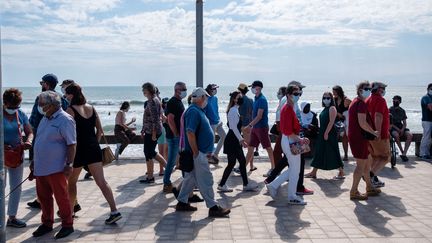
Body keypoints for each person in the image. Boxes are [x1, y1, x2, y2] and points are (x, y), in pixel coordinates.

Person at [64, 83, 122, 224]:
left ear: (71, 95)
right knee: (101, 182)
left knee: (71, 182)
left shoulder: (70, 110)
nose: (65, 96)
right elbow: (100, 131)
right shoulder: (92, 108)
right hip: (93, 148)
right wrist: (94, 143)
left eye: (66, 94)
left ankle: (70, 214)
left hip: (78, 150)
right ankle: (114, 211)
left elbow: (68, 134)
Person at [175, 87, 230, 217]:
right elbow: (190, 132)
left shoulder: (197, 110)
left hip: (201, 153)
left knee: (190, 179)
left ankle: (182, 202)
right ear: (201, 98)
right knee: (206, 179)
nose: (207, 100)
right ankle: (213, 207)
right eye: (205, 98)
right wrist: (196, 153)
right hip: (198, 154)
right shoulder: (194, 111)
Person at [31, 91, 75, 239]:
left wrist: (69, 164)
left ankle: (67, 224)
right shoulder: (45, 118)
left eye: (42, 104)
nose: (39, 107)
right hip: (41, 166)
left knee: (61, 197)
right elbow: (39, 140)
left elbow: (71, 144)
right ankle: (47, 223)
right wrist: (33, 161)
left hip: (56, 167)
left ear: (52, 105)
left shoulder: (65, 120)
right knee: (43, 198)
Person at [264, 81, 314, 196]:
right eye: (296, 93)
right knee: (294, 169)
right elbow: (286, 130)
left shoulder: (290, 106)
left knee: (294, 169)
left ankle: (275, 185)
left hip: (292, 140)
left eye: (299, 93)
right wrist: (300, 139)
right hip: (290, 140)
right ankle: (290, 194)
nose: (298, 95)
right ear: (288, 94)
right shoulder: (287, 107)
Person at [27, 74, 69, 209]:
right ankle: (68, 203)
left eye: (42, 83)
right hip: (59, 141)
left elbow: (33, 120)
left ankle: (42, 200)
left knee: (40, 172)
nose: (41, 85)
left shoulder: (41, 98)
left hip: (42, 137)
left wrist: (29, 134)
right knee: (59, 175)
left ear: (46, 84)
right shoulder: (61, 99)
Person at [3, 89, 33, 228]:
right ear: (5, 103)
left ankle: (12, 217)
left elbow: (29, 132)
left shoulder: (20, 114)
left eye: (16, 106)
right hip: (1, 156)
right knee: (1, 187)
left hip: (16, 155)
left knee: (16, 187)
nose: (14, 109)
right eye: (11, 107)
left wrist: (29, 141)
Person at [218, 91, 258, 192]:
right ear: (234, 99)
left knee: (236, 162)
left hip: (234, 140)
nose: (241, 98)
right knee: (235, 162)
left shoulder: (235, 110)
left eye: (241, 97)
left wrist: (240, 139)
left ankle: (228, 185)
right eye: (239, 97)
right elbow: (233, 128)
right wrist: (241, 140)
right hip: (232, 140)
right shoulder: (232, 111)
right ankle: (243, 184)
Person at [348, 81, 381, 200]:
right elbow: (362, 123)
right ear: (360, 90)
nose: (368, 90)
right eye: (366, 88)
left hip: (358, 137)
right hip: (359, 138)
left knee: (368, 161)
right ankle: (354, 191)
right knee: (360, 166)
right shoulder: (360, 104)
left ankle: (369, 186)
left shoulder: (355, 101)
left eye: (369, 88)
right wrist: (374, 132)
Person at [304, 92, 344, 179]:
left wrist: (326, 133)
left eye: (328, 98)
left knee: (332, 151)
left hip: (329, 133)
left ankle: (341, 171)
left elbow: (331, 122)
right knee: (319, 151)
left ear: (331, 99)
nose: (326, 99)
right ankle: (313, 172)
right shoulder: (325, 108)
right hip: (323, 133)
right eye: (324, 98)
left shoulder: (332, 108)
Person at [244, 80, 275, 176]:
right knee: (250, 147)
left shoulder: (262, 99)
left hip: (261, 128)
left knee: (268, 148)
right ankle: (242, 168)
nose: (252, 89)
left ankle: (273, 168)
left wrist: (249, 125)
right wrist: (251, 125)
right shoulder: (256, 98)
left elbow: (259, 116)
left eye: (253, 87)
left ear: (259, 88)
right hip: (255, 128)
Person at [140, 82, 167, 183]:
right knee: (149, 152)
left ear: (149, 90)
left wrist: (154, 134)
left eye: (144, 90)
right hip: (150, 130)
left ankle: (166, 168)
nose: (143, 92)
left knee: (150, 152)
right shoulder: (155, 99)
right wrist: (143, 130)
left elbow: (155, 119)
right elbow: (149, 118)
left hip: (152, 131)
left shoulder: (152, 101)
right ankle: (150, 176)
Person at [163, 82, 187, 193]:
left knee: (181, 159)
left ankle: (186, 181)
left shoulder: (178, 101)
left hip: (177, 136)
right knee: (172, 161)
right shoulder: (173, 102)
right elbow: (170, 119)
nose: (185, 91)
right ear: (177, 90)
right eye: (184, 89)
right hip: (174, 137)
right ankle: (167, 183)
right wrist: (176, 133)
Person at [366, 81, 390, 188]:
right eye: (383, 88)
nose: (384, 90)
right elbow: (378, 116)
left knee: (376, 157)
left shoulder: (367, 100)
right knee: (386, 157)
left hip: (369, 133)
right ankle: (370, 175)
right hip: (379, 134)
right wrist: (378, 132)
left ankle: (371, 179)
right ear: (378, 89)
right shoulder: (380, 100)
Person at [204, 84, 226, 164]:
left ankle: (215, 154)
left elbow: (216, 110)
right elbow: (204, 113)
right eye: (214, 89)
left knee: (224, 136)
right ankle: (209, 157)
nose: (216, 90)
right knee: (211, 141)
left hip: (217, 122)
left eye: (216, 89)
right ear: (209, 90)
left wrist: (219, 120)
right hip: (210, 124)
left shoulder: (215, 98)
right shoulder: (205, 99)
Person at [389, 95, 412, 162]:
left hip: (400, 126)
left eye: (396, 100)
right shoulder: (390, 110)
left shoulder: (402, 110)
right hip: (393, 127)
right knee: (396, 135)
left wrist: (402, 129)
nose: (395, 101)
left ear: (399, 101)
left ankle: (404, 153)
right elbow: (390, 123)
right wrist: (398, 129)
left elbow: (404, 123)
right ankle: (402, 151)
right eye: (394, 100)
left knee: (410, 135)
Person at [333, 85, 351, 161]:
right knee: (334, 137)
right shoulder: (334, 100)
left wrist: (344, 114)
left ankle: (346, 155)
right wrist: (337, 113)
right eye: (333, 92)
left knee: (344, 138)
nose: (334, 94)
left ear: (339, 92)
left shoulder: (346, 100)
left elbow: (354, 108)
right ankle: (335, 154)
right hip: (337, 121)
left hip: (346, 121)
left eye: (335, 92)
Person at [273, 86, 288, 166]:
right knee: (284, 152)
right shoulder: (282, 101)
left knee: (276, 151)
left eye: (279, 93)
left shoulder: (284, 100)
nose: (277, 94)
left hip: (284, 130)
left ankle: (276, 170)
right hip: (281, 130)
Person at [420, 83, 432, 160]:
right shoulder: (426, 97)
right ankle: (422, 154)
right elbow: (431, 107)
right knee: (426, 137)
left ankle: (427, 153)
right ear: (428, 89)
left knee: (430, 138)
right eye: (431, 89)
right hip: (427, 120)